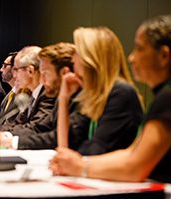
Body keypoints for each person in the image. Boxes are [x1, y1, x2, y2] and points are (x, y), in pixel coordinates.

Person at [50, 15, 171, 183]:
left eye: (139, 48)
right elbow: (132, 153)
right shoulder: (162, 96)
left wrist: (80, 166)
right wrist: (63, 99)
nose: (131, 57)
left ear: (164, 56)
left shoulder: (133, 94)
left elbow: (135, 166)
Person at [55, 27, 143, 156]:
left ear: (91, 59)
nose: (72, 60)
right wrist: (63, 99)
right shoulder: (96, 96)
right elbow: (66, 147)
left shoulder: (121, 93)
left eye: (77, 53)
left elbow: (94, 152)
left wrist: (69, 160)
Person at [0, 42, 90, 149]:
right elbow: (40, 127)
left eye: (45, 73)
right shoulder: (60, 97)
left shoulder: (80, 98)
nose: (42, 80)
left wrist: (12, 142)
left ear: (64, 72)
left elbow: (65, 138)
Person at [0, 46, 56, 148]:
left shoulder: (48, 95)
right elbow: (17, 123)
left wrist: (0, 136)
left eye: (16, 69)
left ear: (30, 71)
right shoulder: (31, 95)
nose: (14, 75)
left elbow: (36, 128)